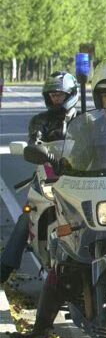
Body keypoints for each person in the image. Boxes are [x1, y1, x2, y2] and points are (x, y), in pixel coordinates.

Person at [7, 60, 106, 338]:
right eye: (105, 95)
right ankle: (39, 335)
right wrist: (59, 161)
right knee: (62, 257)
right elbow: (71, 161)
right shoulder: (86, 128)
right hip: (96, 201)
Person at [0, 72, 79, 284]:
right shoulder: (40, 121)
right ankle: (5, 268)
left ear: (71, 94)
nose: (56, 99)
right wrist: (34, 148)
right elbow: (34, 143)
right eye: (53, 95)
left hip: (78, 177)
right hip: (47, 176)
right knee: (28, 215)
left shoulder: (84, 120)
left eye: (60, 95)